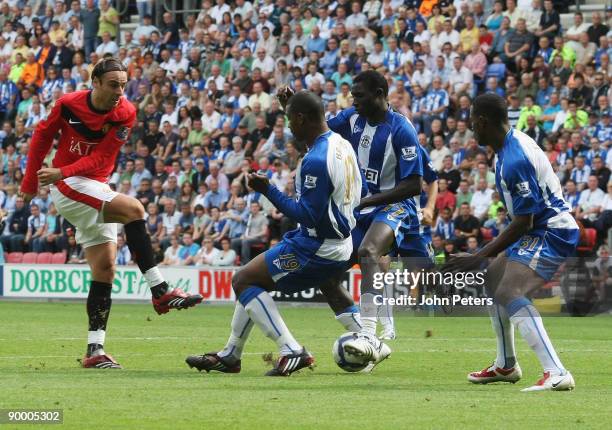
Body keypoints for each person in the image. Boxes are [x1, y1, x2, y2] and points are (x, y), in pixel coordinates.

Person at [19, 58, 203, 370]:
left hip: (92, 182)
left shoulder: (125, 112)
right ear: (97, 83)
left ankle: (95, 350)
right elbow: (41, 138)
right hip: (68, 186)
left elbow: (102, 157)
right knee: (135, 209)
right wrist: (29, 181)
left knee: (105, 269)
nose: (120, 90)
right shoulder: (67, 104)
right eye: (114, 84)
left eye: (123, 84)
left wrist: (62, 168)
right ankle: (160, 290)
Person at [185, 91, 363, 376]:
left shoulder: (316, 160)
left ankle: (291, 350)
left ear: (302, 118)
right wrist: (289, 105)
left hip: (316, 246)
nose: (288, 125)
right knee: (263, 281)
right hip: (338, 240)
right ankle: (231, 354)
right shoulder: (341, 144)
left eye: (290, 119)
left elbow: (306, 214)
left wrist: (268, 190)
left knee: (244, 280)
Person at [279, 70, 426, 366]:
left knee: (369, 250)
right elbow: (315, 132)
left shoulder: (401, 129)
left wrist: (367, 200)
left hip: (396, 207)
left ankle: (370, 334)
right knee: (327, 275)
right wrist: (291, 107)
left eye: (359, 96)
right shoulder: (350, 119)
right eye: (352, 95)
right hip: (362, 209)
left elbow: (414, 185)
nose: (353, 100)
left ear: (380, 94)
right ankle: (366, 340)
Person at [443, 93, 578, 392]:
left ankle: (556, 371)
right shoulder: (508, 146)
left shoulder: (514, 158)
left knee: (510, 289)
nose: (470, 128)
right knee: (494, 279)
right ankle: (505, 365)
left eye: (471, 121)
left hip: (551, 230)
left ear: (482, 121)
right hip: (539, 228)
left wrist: (477, 255)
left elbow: (523, 221)